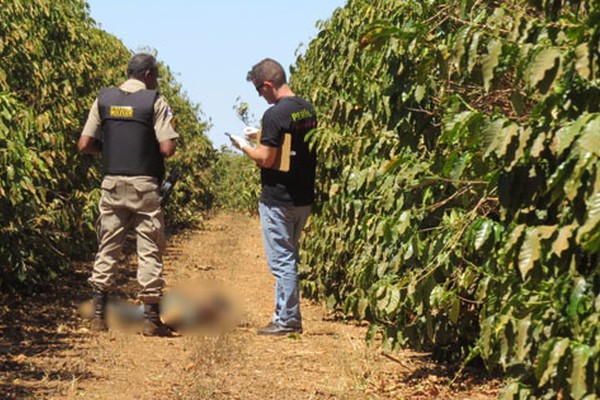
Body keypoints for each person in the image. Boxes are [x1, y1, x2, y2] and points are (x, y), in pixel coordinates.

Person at [78, 53, 179, 337]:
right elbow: (167, 149)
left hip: (111, 183)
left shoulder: (104, 100)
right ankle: (150, 319)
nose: (156, 80)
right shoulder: (154, 101)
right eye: (156, 75)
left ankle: (98, 315)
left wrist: (108, 150)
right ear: (148, 75)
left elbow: (85, 144)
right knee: (148, 248)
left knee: (108, 245)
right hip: (144, 185)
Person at [228, 58, 317, 336]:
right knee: (289, 256)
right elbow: (291, 145)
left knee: (282, 261)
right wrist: (260, 135)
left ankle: (288, 319)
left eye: (258, 90)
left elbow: (267, 159)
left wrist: (243, 145)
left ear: (268, 85)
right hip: (303, 196)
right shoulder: (306, 109)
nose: (260, 95)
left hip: (278, 199)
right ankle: (282, 314)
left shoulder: (275, 114)